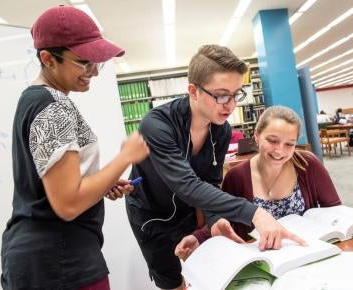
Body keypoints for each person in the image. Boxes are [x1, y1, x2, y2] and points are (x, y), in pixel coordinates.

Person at [125, 45, 305, 290]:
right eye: (221, 95)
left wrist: (214, 219)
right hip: (152, 214)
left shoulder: (221, 130)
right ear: (193, 91)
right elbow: (186, 184)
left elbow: (208, 182)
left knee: (201, 274)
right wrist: (256, 213)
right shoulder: (156, 125)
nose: (230, 105)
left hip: (187, 213)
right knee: (171, 280)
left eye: (235, 94)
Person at [0, 6, 149, 290]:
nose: (93, 71)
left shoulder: (36, 101)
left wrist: (101, 184)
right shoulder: (52, 107)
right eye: (84, 62)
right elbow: (67, 204)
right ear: (48, 59)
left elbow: (56, 189)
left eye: (96, 62)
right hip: (59, 262)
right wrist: (125, 157)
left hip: (44, 260)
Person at [175, 106, 341, 260]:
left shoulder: (308, 164)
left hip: (308, 252)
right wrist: (198, 238)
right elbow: (223, 221)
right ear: (256, 136)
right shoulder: (236, 177)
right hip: (262, 259)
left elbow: (334, 211)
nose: (280, 151)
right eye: (272, 140)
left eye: (289, 144)